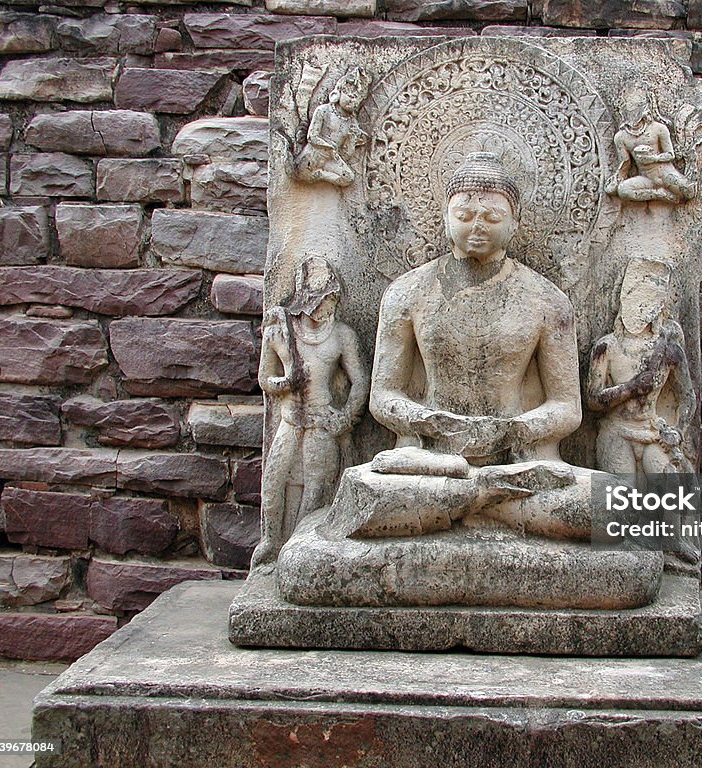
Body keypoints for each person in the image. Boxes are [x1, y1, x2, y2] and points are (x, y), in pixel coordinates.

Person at [328, 152, 598, 542]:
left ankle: (469, 502)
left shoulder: (546, 300)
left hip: (520, 464)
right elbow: (383, 396)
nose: (477, 227)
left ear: (515, 222)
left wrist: (512, 431)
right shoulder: (408, 293)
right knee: (362, 493)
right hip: (429, 462)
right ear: (444, 217)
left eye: (492, 217)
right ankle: (488, 504)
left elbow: (567, 407)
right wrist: (428, 422)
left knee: (611, 506)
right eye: (465, 215)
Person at [252, 257, 368, 566]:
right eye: (317, 301)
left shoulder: (342, 335)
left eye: (329, 300)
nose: (323, 308)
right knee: (274, 481)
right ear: (303, 300)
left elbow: (360, 382)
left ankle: (298, 552)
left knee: (316, 489)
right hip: (290, 420)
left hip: (321, 422)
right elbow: (265, 379)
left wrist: (344, 418)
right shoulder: (280, 333)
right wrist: (288, 379)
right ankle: (272, 541)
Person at [586, 259, 694, 484]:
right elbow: (593, 400)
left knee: (671, 486)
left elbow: (687, 397)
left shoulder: (669, 350)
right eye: (633, 295)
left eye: (648, 298)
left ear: (658, 306)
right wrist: (631, 388)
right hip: (616, 431)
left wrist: (679, 431)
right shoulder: (607, 347)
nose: (640, 305)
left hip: (652, 430)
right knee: (621, 495)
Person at [607, 90, 692, 204]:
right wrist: (616, 180)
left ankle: (667, 192)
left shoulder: (658, 128)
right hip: (646, 178)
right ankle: (660, 194)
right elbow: (625, 163)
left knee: (688, 192)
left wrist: (653, 158)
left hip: (665, 173)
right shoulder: (621, 137)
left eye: (636, 109)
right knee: (623, 190)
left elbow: (670, 154)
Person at [294, 67, 369, 187]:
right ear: (338, 93)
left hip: (331, 159)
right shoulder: (324, 111)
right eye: (350, 96)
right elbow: (312, 136)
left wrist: (352, 141)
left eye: (358, 100)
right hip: (315, 153)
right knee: (299, 172)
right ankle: (311, 173)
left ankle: (321, 175)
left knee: (348, 177)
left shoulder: (352, 122)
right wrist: (329, 147)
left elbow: (346, 155)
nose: (354, 102)